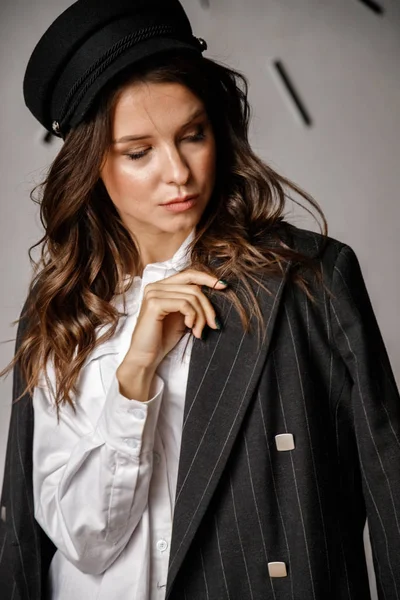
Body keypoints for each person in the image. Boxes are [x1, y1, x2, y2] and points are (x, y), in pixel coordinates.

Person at [0, 0, 399, 598]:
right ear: (91, 166)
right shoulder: (61, 306)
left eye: (193, 135)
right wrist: (137, 369)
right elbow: (80, 543)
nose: (178, 173)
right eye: (139, 152)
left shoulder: (305, 278)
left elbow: (390, 485)